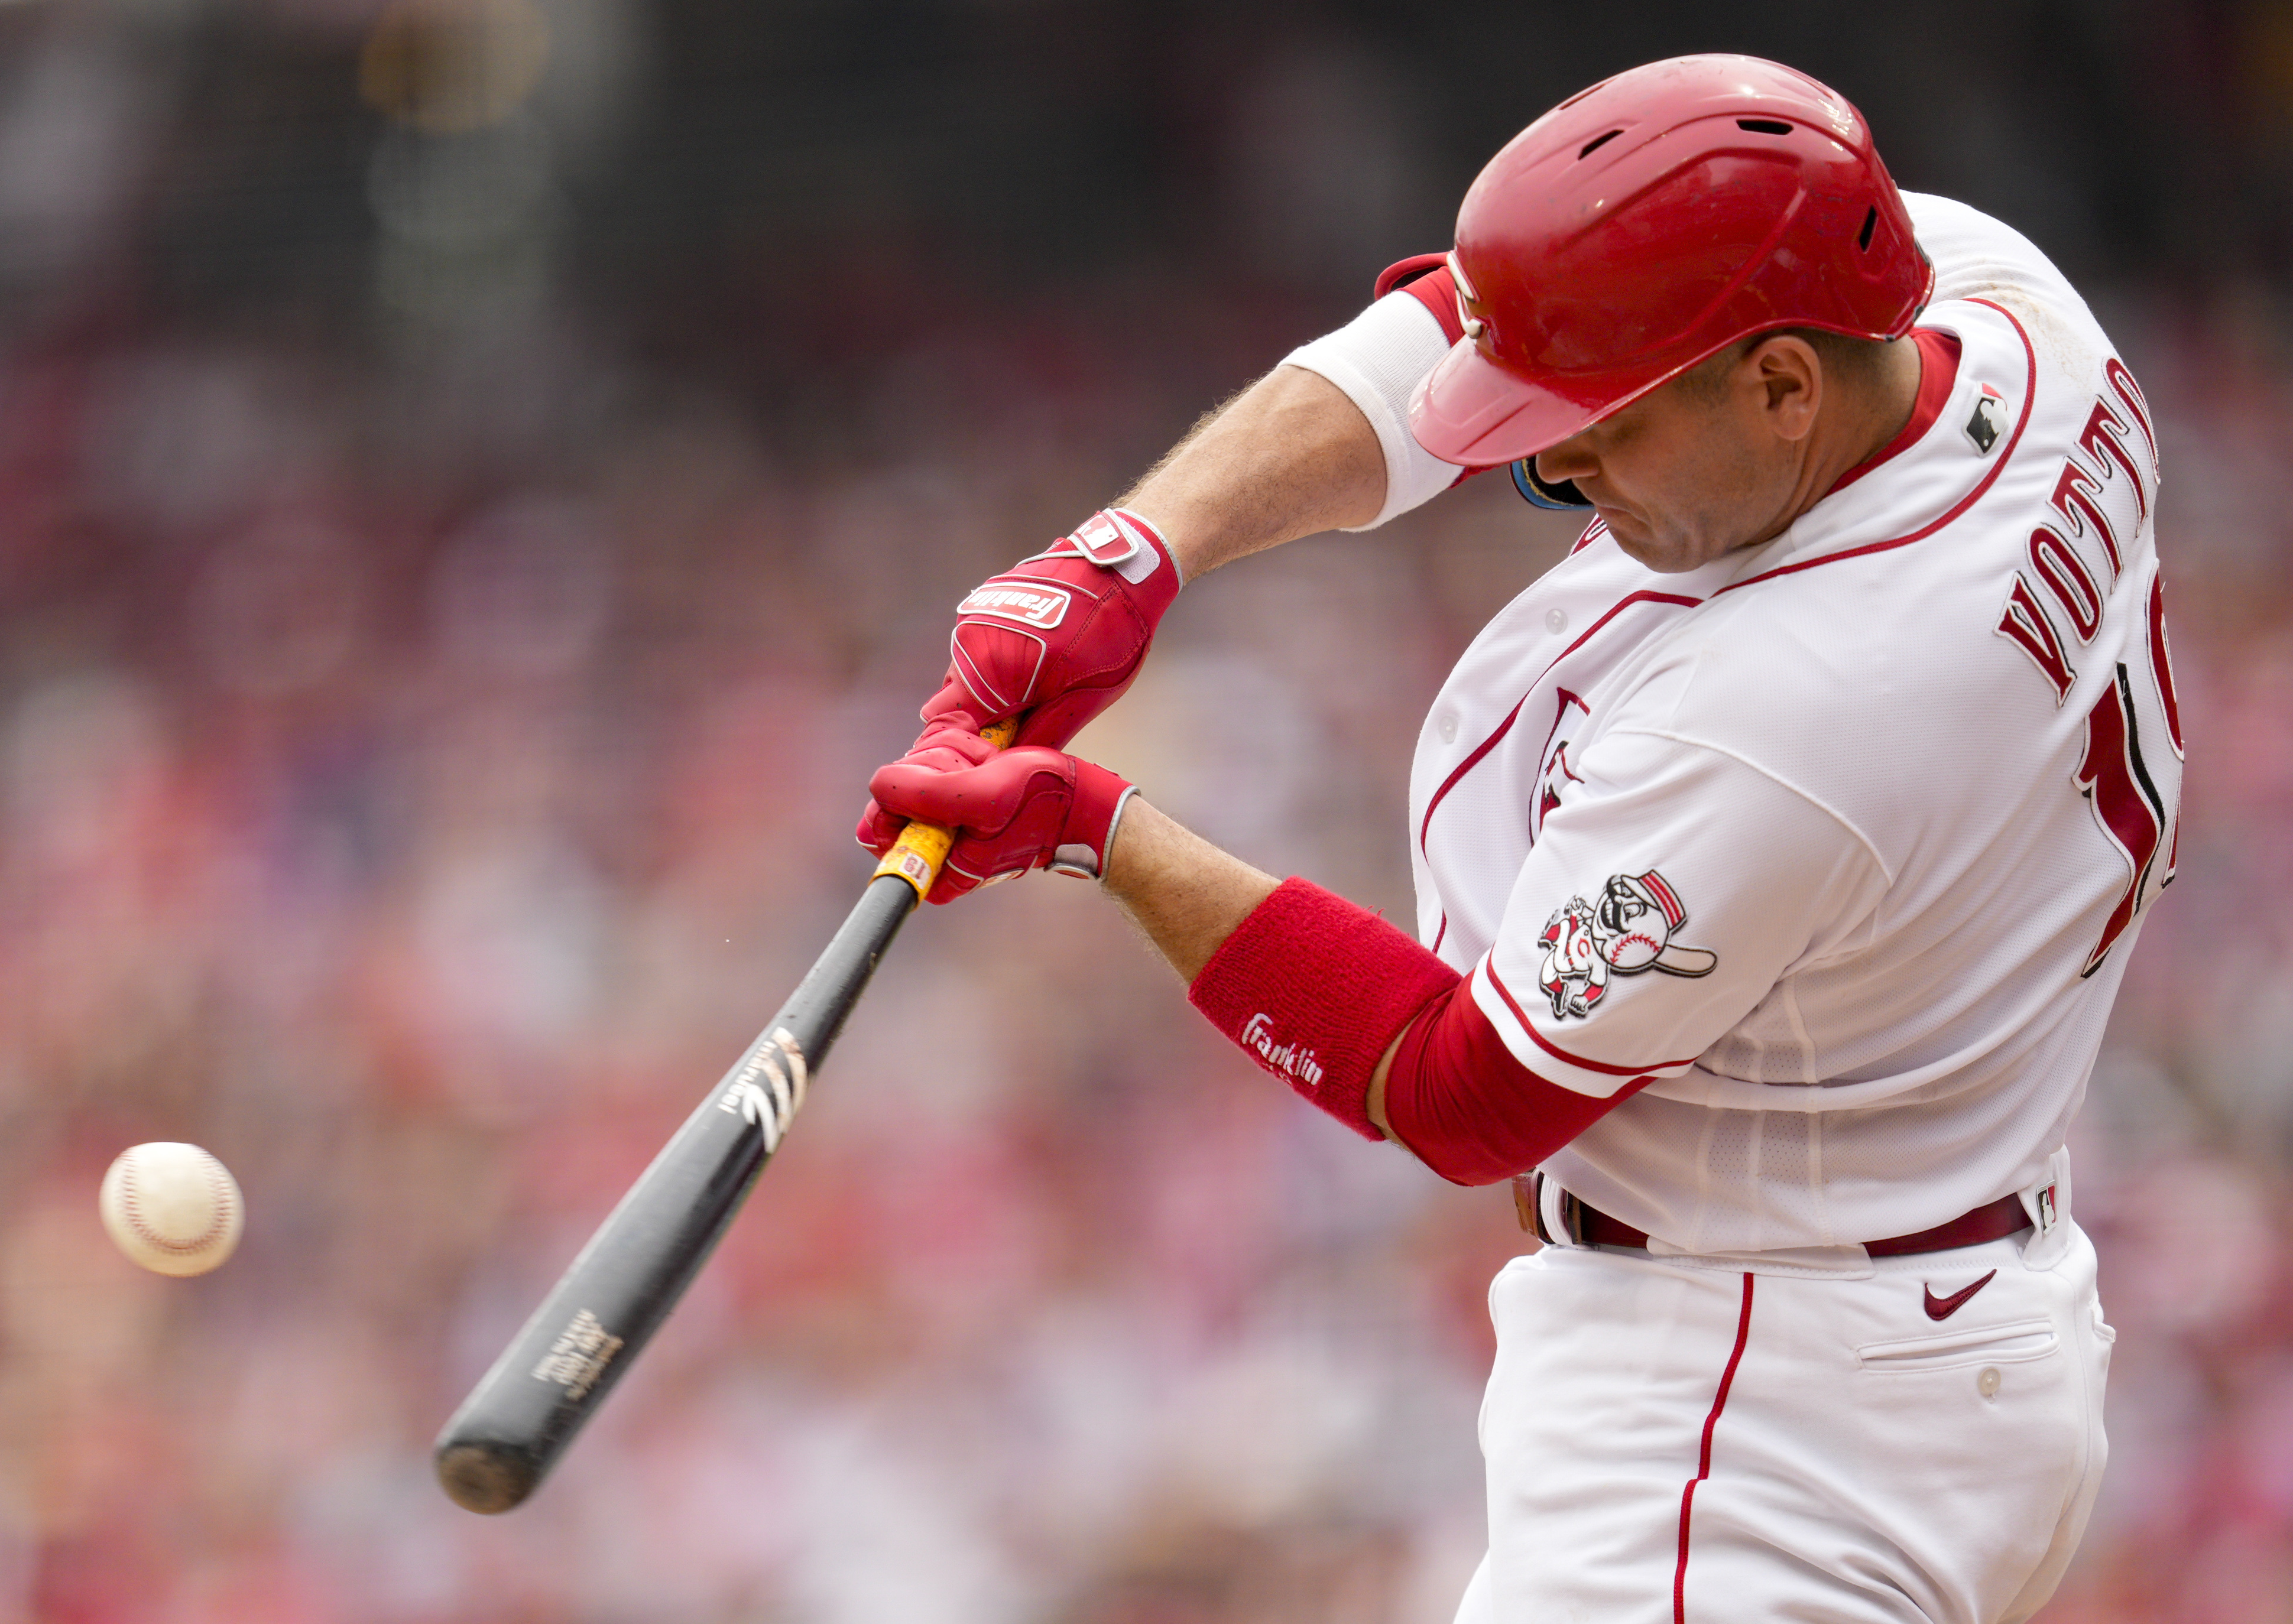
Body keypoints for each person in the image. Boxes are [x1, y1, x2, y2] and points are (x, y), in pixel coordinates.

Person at [859, 54, 2177, 1622]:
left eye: (1601, 431)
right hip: (1923, 1306)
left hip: (1759, 1423)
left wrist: (1098, 830)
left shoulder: (1798, 706)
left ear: (1777, 384)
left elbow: (1461, 1093)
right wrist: (1133, 547)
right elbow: (1462, 322)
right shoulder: (2001, 311)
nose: (1546, 468)